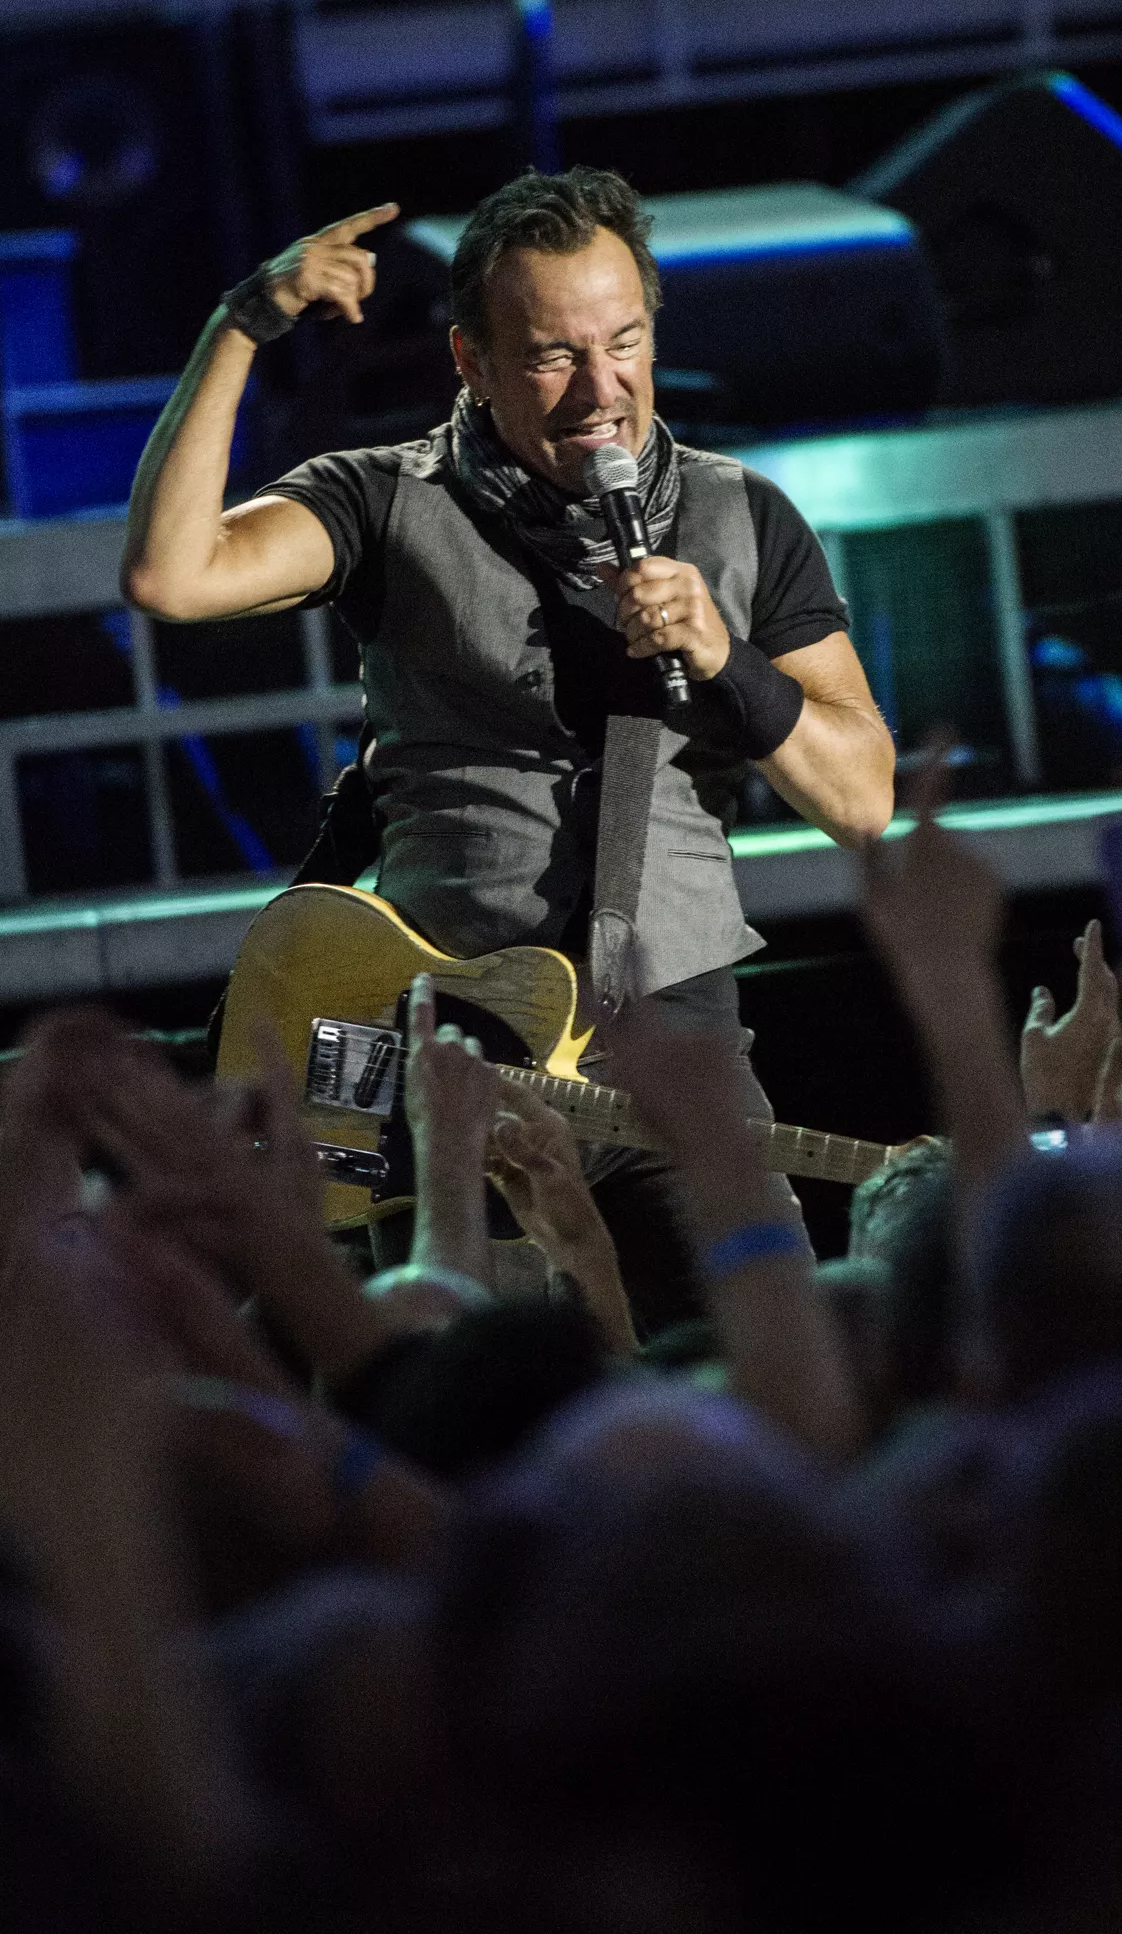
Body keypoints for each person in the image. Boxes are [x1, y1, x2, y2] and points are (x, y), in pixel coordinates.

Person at [121, 166, 897, 1331]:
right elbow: (171, 575)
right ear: (470, 363)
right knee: (474, 1400)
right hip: (452, 1055)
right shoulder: (384, 500)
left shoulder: (744, 518)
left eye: (623, 343)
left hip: (675, 1044)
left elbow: (865, 799)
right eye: (551, 356)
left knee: (769, 1363)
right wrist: (242, 325)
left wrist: (725, 657)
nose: (600, 389)